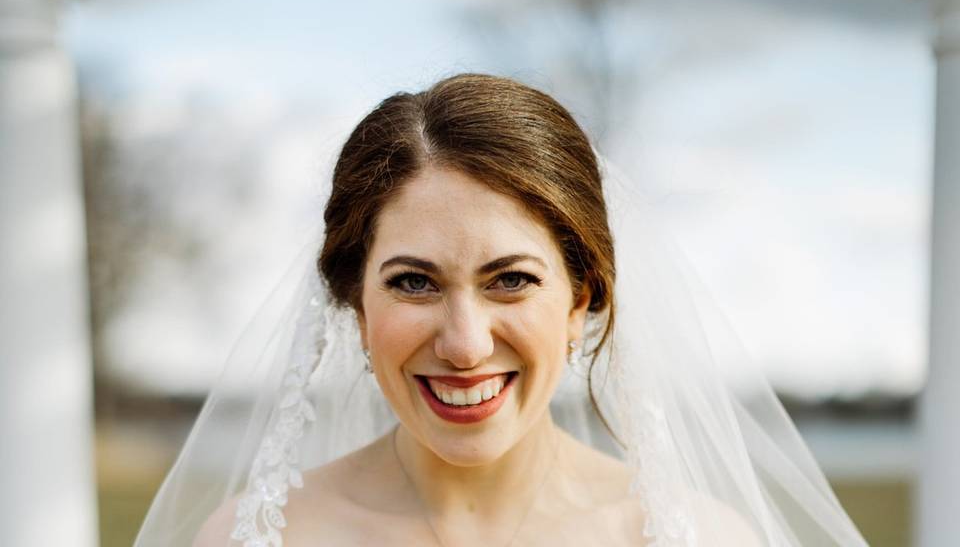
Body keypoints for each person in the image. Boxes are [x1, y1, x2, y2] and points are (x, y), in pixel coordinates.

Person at [135, 74, 868, 546]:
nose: (463, 343)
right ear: (355, 306)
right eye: (414, 283)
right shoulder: (257, 538)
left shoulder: (700, 537)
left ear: (580, 300)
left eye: (510, 280)